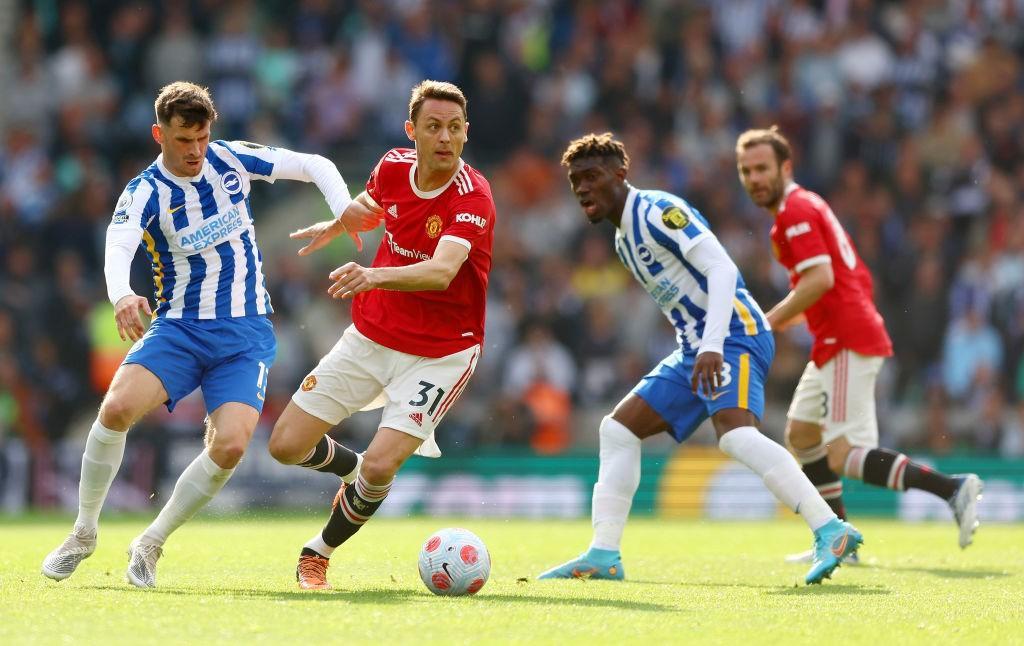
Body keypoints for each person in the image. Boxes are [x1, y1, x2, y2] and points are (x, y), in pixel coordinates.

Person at [41, 81, 381, 588]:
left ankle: (150, 544)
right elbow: (118, 244)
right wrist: (121, 295)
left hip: (245, 333)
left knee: (231, 445)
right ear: (160, 134)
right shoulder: (144, 192)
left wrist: (340, 205)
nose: (196, 150)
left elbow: (313, 164)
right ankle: (83, 533)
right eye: (184, 140)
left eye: (202, 138)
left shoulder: (231, 160)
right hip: (179, 327)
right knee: (115, 410)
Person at [538, 133, 862, 586]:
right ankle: (603, 553)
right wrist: (700, 346)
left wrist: (711, 344)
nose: (582, 189)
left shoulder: (656, 211)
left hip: (734, 334)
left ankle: (830, 529)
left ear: (620, 175)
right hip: (697, 347)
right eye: (576, 181)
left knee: (734, 436)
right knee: (617, 431)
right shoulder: (622, 242)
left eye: (592, 177)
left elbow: (723, 268)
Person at [266, 80, 496, 591]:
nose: (445, 138)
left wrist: (372, 275)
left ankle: (317, 552)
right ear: (411, 131)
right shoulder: (393, 165)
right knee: (284, 445)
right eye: (433, 127)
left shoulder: (473, 196)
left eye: (454, 128)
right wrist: (337, 224)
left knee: (383, 462)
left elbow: (441, 271)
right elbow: (374, 208)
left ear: (465, 133)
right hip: (372, 336)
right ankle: (356, 471)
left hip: (442, 352)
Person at [735, 126, 982, 562]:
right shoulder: (802, 209)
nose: (754, 178)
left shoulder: (795, 212)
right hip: (837, 337)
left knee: (845, 455)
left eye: (762, 168)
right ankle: (840, 539)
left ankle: (953, 488)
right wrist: (784, 321)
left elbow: (822, 279)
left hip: (847, 338)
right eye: (746, 170)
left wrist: (766, 322)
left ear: (785, 167)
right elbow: (849, 278)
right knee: (802, 433)